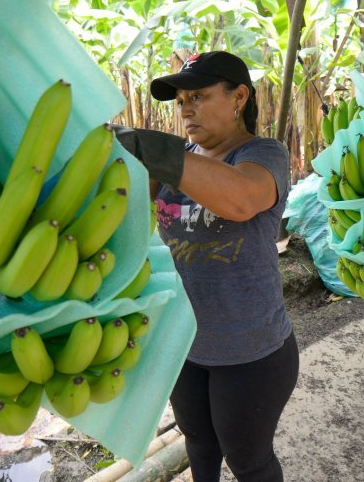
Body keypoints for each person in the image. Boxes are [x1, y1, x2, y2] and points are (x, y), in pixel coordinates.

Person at [113, 51, 299, 482]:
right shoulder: (179, 158)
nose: (185, 109)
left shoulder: (262, 155)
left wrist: (150, 149)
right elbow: (128, 216)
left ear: (238, 97)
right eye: (180, 101)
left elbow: (239, 199)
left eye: (198, 95)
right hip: (185, 342)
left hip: (251, 353)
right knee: (198, 443)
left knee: (249, 462)